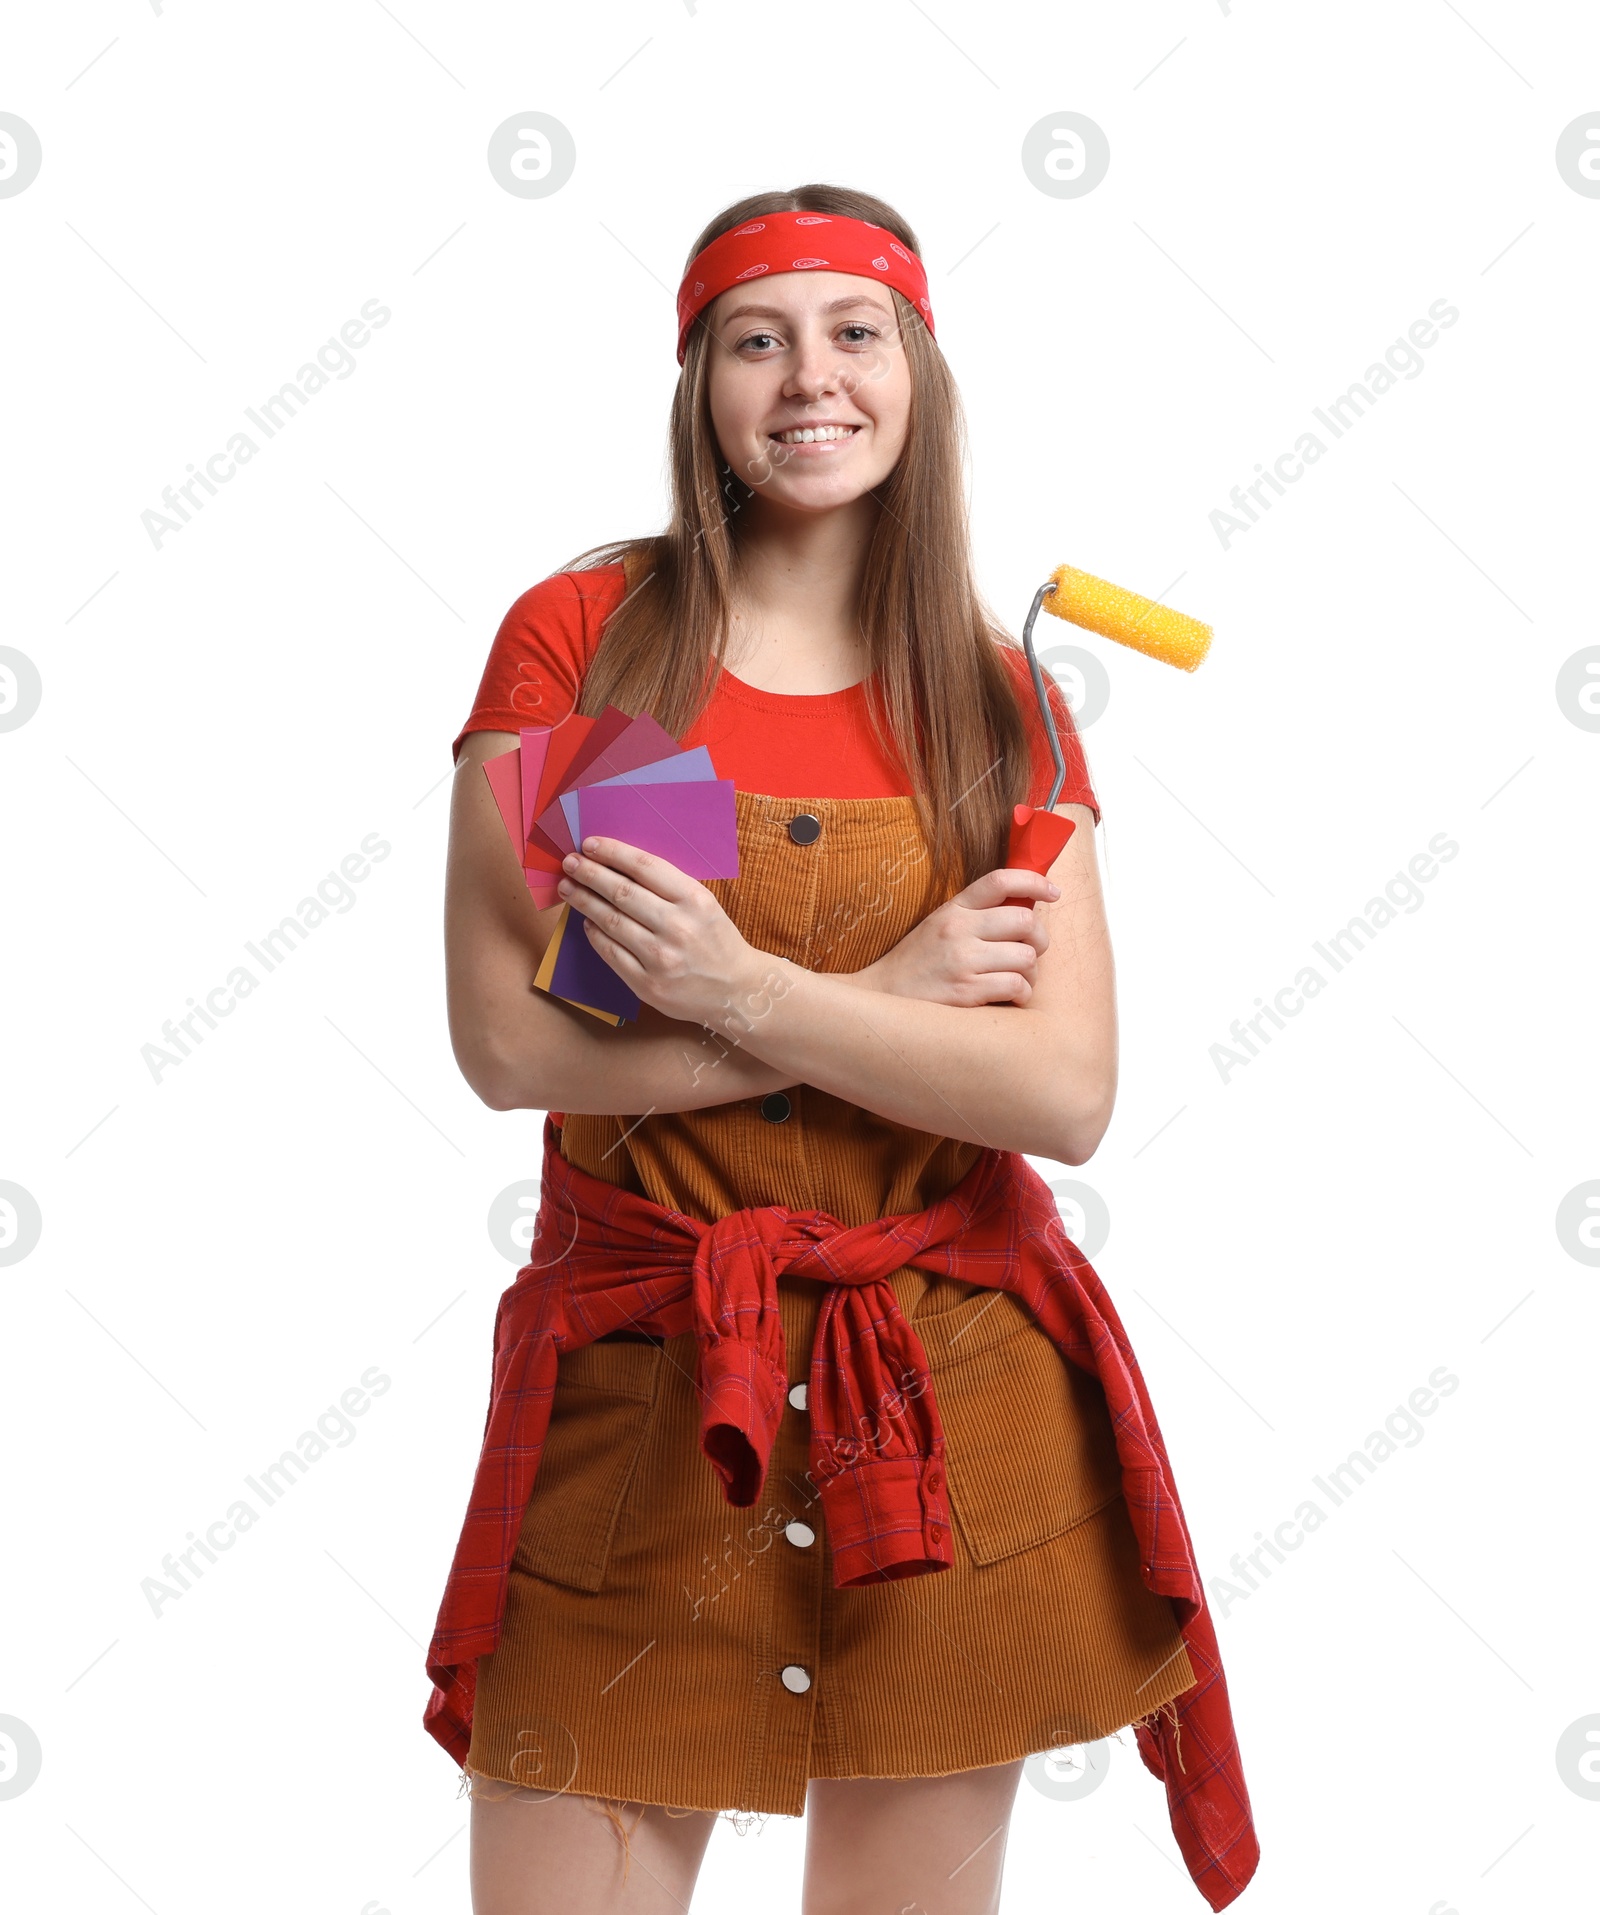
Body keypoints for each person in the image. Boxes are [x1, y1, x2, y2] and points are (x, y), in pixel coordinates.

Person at [434, 184, 1255, 1915]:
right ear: (701, 385)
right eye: (757, 337)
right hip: (647, 1402)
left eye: (854, 331)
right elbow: (517, 1046)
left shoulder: (991, 691)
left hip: (946, 1412)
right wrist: (879, 989)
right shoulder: (594, 644)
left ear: (918, 372)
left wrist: (745, 995)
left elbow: (1061, 1094)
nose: (812, 379)